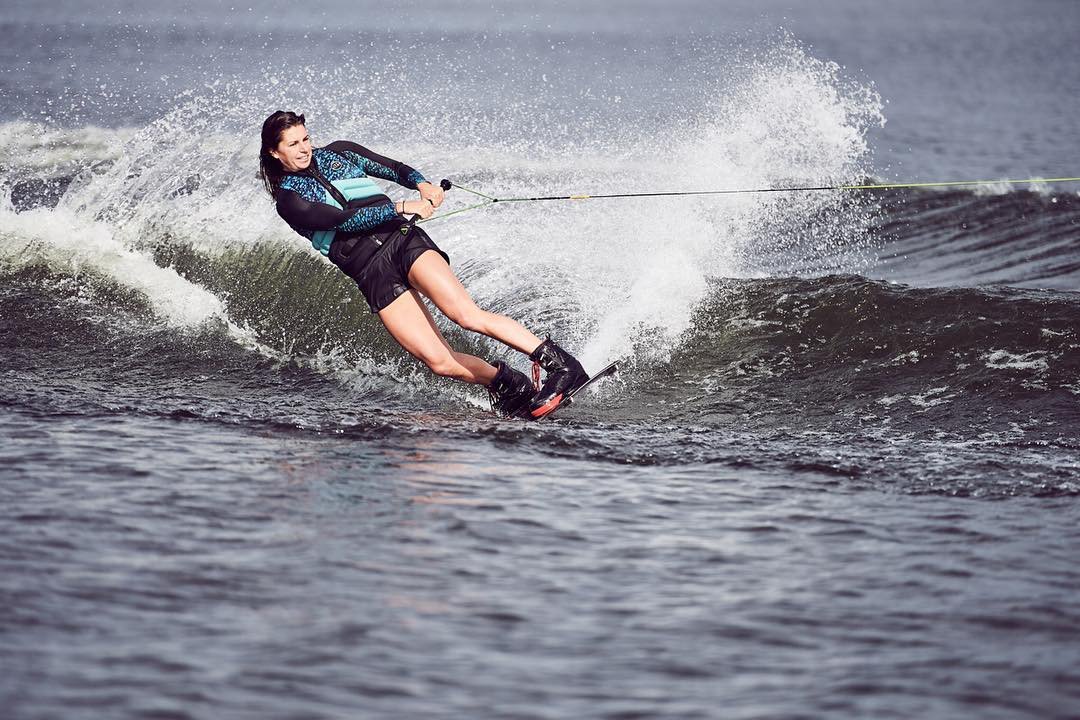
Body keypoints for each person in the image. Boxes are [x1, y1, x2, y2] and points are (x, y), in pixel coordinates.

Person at [259, 110, 587, 418]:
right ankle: (509, 384)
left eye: (306, 139)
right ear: (275, 152)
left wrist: (421, 184)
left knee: (465, 314)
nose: (305, 149)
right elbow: (344, 220)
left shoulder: (339, 154)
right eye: (293, 144)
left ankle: (563, 367)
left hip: (402, 242)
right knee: (439, 361)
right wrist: (402, 204)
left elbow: (393, 168)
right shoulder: (288, 200)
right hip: (371, 273)